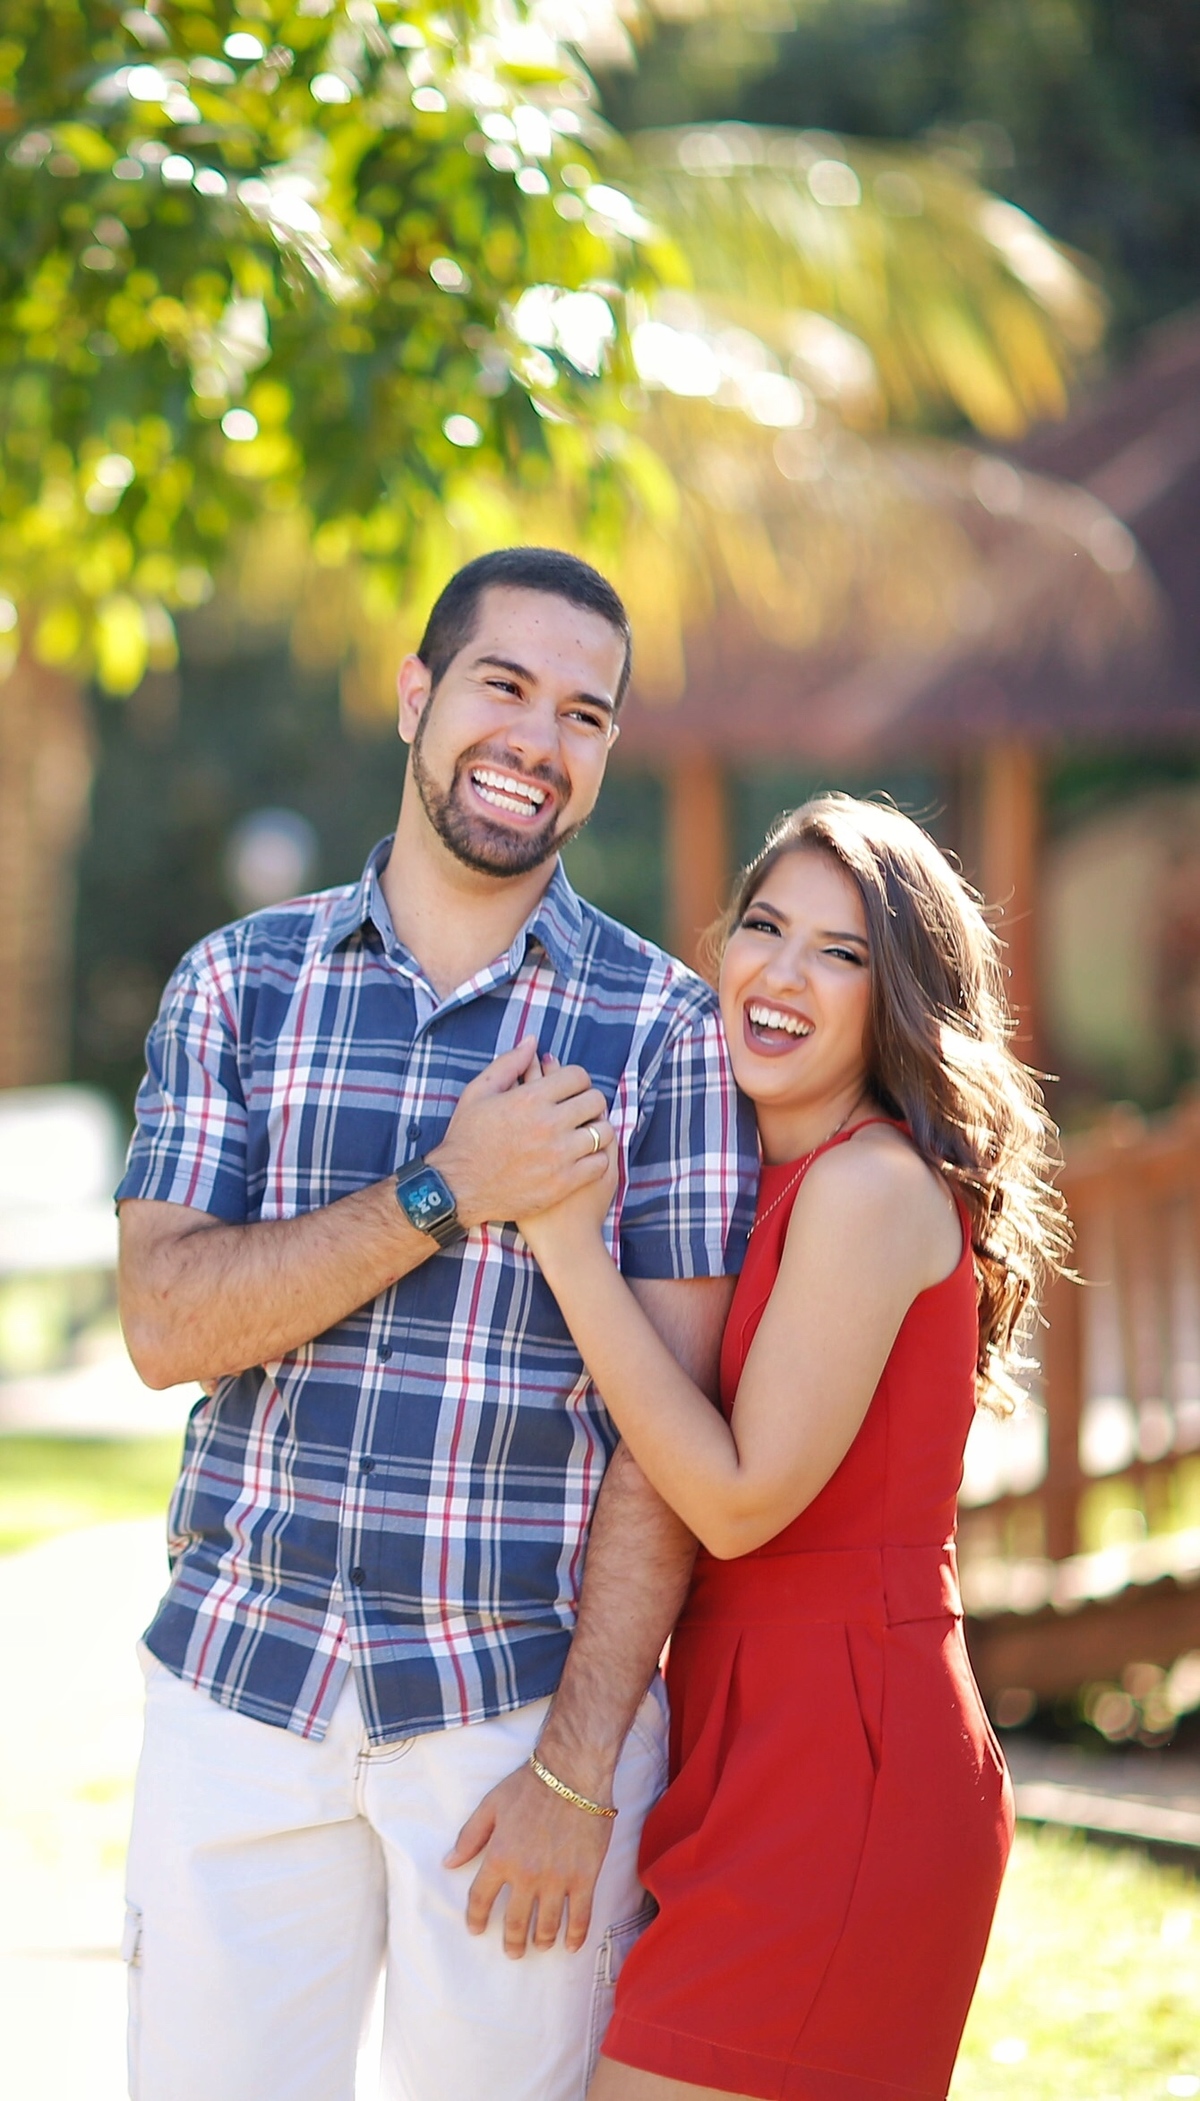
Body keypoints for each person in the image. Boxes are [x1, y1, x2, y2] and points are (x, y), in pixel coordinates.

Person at [115, 546, 757, 2101]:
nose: (539, 738)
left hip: (509, 1723)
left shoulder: (666, 1033)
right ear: (417, 694)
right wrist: (446, 1187)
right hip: (240, 1692)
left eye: (583, 714)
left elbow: (666, 1438)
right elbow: (164, 1320)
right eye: (503, 685)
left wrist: (579, 1768)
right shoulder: (240, 985)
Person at [514, 792, 1072, 2101]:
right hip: (742, 1733)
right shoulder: (746, 1176)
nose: (780, 973)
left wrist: (564, 1244)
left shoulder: (869, 1187)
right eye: (764, 927)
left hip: (845, 1755)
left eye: (841, 951)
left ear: (899, 999)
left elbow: (737, 1501)